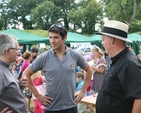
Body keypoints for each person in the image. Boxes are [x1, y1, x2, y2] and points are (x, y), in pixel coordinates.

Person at [23, 23, 92, 113]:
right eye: (50, 37)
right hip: (51, 107)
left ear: (64, 38)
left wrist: (83, 91)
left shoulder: (74, 55)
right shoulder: (44, 57)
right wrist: (37, 95)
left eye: (56, 37)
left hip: (71, 106)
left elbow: (89, 70)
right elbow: (26, 74)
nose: (52, 41)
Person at [96, 20, 141, 113]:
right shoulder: (118, 59)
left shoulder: (129, 64)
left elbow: (139, 98)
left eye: (103, 39)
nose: (102, 43)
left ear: (112, 40)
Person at [0, 34, 27, 113]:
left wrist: (19, 86)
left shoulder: (5, 68)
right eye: (17, 49)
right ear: (7, 51)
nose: (19, 53)